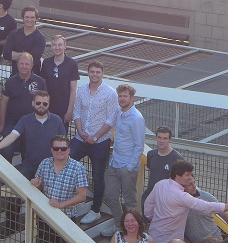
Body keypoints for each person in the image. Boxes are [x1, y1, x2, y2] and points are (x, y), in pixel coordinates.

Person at [144, 160, 228, 243]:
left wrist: (151, 219)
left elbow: (148, 205)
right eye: (187, 175)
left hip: (155, 237)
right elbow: (205, 206)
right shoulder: (181, 196)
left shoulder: (160, 184)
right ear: (177, 176)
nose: (190, 178)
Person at [31, 135, 88, 243]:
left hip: (67, 219)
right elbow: (40, 187)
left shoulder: (77, 168)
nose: (60, 151)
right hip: (47, 218)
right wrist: (36, 184)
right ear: (51, 150)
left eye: (63, 148)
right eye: (56, 148)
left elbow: (82, 196)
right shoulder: (44, 164)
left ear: (69, 150)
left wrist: (61, 205)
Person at [71, 61, 119, 225]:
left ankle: (96, 210)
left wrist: (96, 137)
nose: (95, 74)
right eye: (92, 71)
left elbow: (111, 119)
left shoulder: (110, 93)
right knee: (66, 162)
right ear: (88, 73)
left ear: (102, 73)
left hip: (100, 142)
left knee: (98, 177)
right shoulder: (82, 90)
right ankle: (70, 198)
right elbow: (77, 111)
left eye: (98, 72)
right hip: (81, 138)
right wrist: (79, 131)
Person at [0, 90, 66, 180]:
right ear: (33, 103)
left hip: (52, 167)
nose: (41, 106)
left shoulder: (57, 120)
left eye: (44, 104)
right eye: (38, 103)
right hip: (30, 166)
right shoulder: (25, 120)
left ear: (49, 104)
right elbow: (12, 136)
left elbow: (64, 142)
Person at [103, 84, 144, 226]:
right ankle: (120, 225)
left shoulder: (136, 118)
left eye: (125, 96)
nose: (122, 99)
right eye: (120, 96)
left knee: (129, 201)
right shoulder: (119, 113)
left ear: (132, 98)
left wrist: (130, 167)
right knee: (110, 195)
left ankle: (132, 230)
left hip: (127, 167)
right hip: (114, 163)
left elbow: (139, 145)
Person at [0, 53, 47, 165]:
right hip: (12, 122)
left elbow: (45, 104)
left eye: (27, 64)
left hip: (32, 122)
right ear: (17, 64)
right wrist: (1, 124)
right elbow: (3, 103)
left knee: (29, 153)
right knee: (7, 150)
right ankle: (4, 176)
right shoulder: (10, 82)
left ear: (32, 65)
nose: (24, 66)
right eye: (21, 63)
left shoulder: (40, 82)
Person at [184, 177, 228, 243]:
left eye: (194, 182)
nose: (194, 186)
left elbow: (225, 215)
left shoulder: (206, 197)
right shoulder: (178, 202)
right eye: (190, 184)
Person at [142, 127, 183, 208]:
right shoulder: (151, 154)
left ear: (170, 139)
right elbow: (151, 171)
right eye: (159, 137)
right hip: (150, 198)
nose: (161, 141)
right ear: (156, 138)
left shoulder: (177, 159)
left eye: (165, 138)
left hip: (166, 202)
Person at [43, 35, 78, 124]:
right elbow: (42, 86)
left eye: (60, 45)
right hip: (47, 108)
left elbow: (73, 90)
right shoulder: (46, 62)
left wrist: (70, 111)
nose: (57, 48)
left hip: (63, 109)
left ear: (65, 46)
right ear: (51, 47)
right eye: (54, 45)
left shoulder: (72, 64)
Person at [4, 6, 46, 74]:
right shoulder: (14, 34)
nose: (29, 20)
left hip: (33, 77)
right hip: (15, 76)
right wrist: (27, 55)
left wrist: (15, 55)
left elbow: (34, 59)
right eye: (27, 17)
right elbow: (6, 54)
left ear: (36, 19)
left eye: (32, 17)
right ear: (23, 18)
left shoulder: (40, 38)